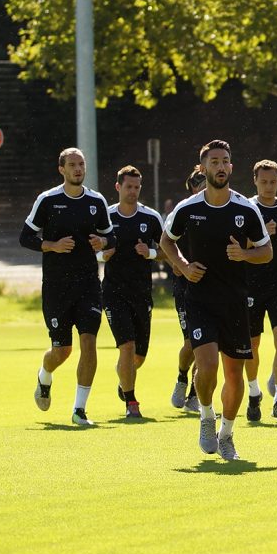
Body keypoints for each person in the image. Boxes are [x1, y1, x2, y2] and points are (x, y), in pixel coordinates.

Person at [160, 140, 272, 460]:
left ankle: (227, 434)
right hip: (200, 300)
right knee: (208, 366)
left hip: (235, 302)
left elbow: (267, 251)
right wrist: (183, 266)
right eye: (214, 162)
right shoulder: (188, 208)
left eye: (225, 162)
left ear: (231, 167)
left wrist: (245, 254)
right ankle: (207, 416)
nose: (220, 167)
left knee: (234, 375)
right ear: (203, 168)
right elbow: (167, 240)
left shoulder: (246, 209)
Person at [20, 147, 116, 425]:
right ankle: (44, 375)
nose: (78, 169)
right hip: (56, 287)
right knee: (62, 351)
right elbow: (25, 237)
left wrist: (102, 242)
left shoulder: (96, 201)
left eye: (81, 164)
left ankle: (79, 410)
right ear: (61, 169)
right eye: (72, 165)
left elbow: (112, 238)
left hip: (88, 285)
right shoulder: (48, 200)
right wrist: (52, 245)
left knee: (89, 343)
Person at [97, 165, 165, 419]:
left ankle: (124, 382)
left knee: (139, 356)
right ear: (118, 187)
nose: (133, 191)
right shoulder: (105, 217)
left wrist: (151, 253)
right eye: (128, 187)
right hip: (113, 293)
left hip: (142, 294)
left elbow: (169, 251)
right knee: (126, 346)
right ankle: (131, 401)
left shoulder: (151, 218)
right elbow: (89, 249)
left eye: (137, 187)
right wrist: (102, 255)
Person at [244, 160, 277, 422]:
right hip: (250, 285)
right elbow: (237, 244)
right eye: (263, 181)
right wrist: (260, 234)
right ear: (255, 181)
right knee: (252, 344)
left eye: (273, 182)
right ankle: (254, 393)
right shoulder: (246, 208)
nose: (268, 186)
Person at [168, 166, 206, 412]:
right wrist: (180, 264)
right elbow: (166, 244)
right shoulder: (183, 211)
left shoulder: (225, 208)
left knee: (207, 344)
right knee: (192, 342)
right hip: (185, 286)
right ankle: (182, 376)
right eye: (199, 184)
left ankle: (195, 395)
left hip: (213, 287)